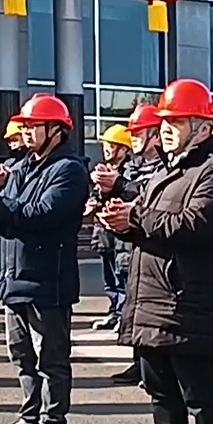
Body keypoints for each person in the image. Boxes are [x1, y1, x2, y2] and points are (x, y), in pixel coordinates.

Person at [102, 79, 213, 424]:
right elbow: (150, 223)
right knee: (159, 387)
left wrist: (136, 217)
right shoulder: (165, 169)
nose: (165, 129)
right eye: (164, 121)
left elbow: (196, 225)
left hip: (188, 298)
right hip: (151, 296)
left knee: (198, 392)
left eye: (176, 122)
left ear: (202, 127)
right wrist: (121, 220)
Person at [0, 93, 90, 424]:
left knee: (51, 359)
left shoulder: (69, 170)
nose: (25, 132)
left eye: (34, 126)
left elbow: (42, 214)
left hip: (46, 281)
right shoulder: (21, 167)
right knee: (22, 357)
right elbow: (9, 214)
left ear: (57, 130)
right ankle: (29, 418)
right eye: (25, 126)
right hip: (13, 278)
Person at [97, 103, 167, 385]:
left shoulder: (163, 167)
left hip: (153, 250)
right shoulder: (136, 167)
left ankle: (152, 368)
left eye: (139, 133)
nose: (133, 138)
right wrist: (108, 197)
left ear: (155, 135)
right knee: (136, 309)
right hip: (129, 247)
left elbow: (149, 196)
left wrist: (119, 184)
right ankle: (139, 364)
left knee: (152, 312)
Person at [89, 123, 134, 332]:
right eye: (105, 145)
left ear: (124, 149)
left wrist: (115, 184)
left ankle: (124, 316)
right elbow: (96, 197)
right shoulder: (104, 169)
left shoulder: (131, 172)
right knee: (109, 278)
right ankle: (114, 312)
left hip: (121, 235)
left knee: (122, 275)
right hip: (104, 232)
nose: (106, 149)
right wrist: (94, 200)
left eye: (112, 145)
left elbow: (132, 194)